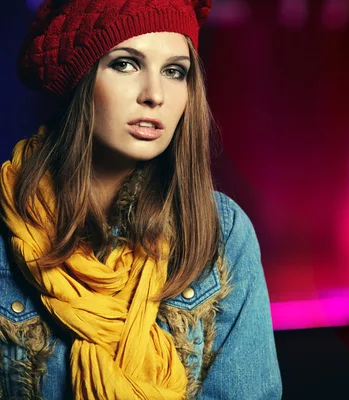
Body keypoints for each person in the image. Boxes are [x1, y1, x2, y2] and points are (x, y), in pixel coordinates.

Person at [0, 0, 282, 399]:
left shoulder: (220, 232)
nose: (154, 95)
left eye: (174, 71)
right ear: (80, 80)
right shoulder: (5, 232)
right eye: (126, 64)